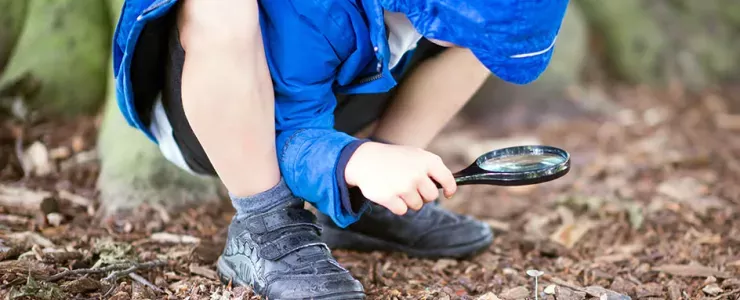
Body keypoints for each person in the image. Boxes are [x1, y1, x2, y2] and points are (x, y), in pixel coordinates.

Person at [112, 0, 568, 298]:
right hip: (225, 117)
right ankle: (264, 225)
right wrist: (355, 159)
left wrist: (378, 160)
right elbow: (288, 131)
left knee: (479, 42)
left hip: (340, 85)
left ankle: (367, 199)